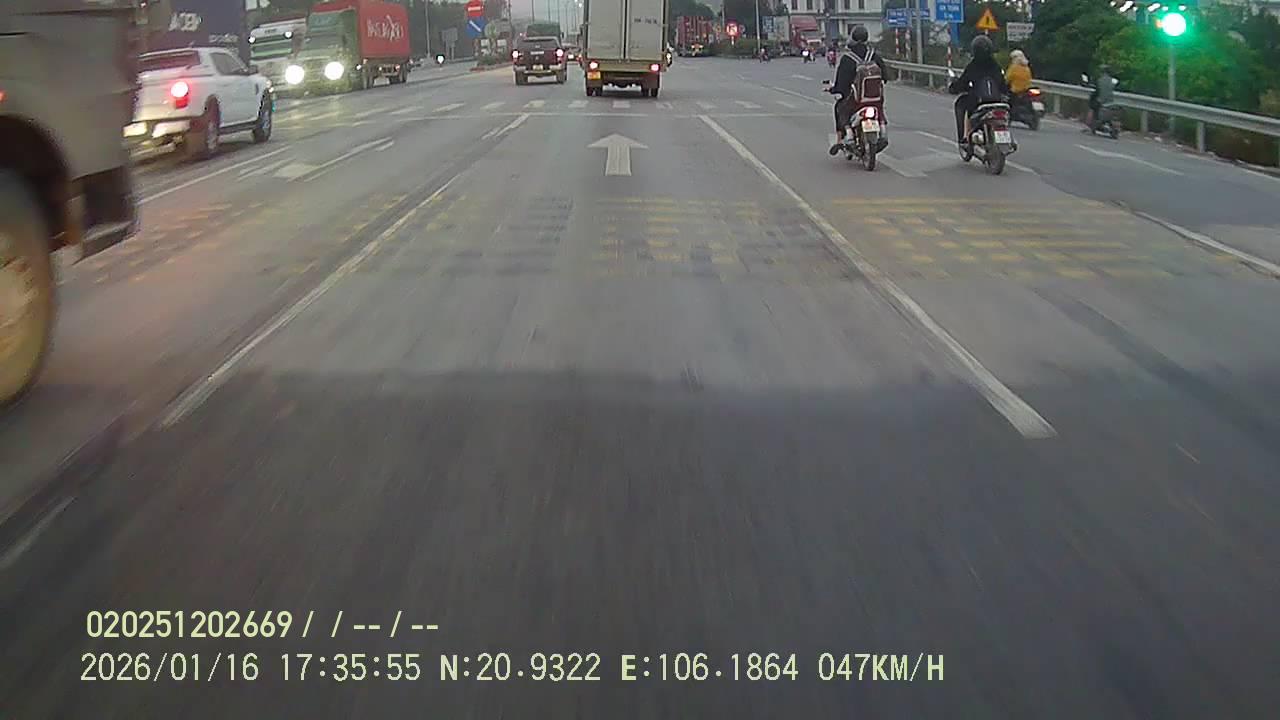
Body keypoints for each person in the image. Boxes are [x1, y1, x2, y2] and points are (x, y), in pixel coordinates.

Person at [948, 35, 1008, 146]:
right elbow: (1003, 85)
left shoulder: (973, 65)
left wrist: (953, 88)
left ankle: (964, 138)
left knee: (960, 104)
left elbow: (962, 82)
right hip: (997, 101)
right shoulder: (995, 65)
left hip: (978, 101)